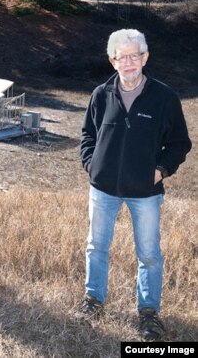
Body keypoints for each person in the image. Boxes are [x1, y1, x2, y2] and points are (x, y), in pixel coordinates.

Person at [76, 29, 191, 340]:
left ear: (145, 57)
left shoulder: (164, 97)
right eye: (121, 56)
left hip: (146, 192)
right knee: (96, 247)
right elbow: (87, 136)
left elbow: (180, 143)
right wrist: (91, 165)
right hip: (103, 189)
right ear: (113, 61)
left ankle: (149, 313)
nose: (128, 62)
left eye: (134, 55)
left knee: (150, 253)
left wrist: (160, 171)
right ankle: (93, 301)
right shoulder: (101, 94)